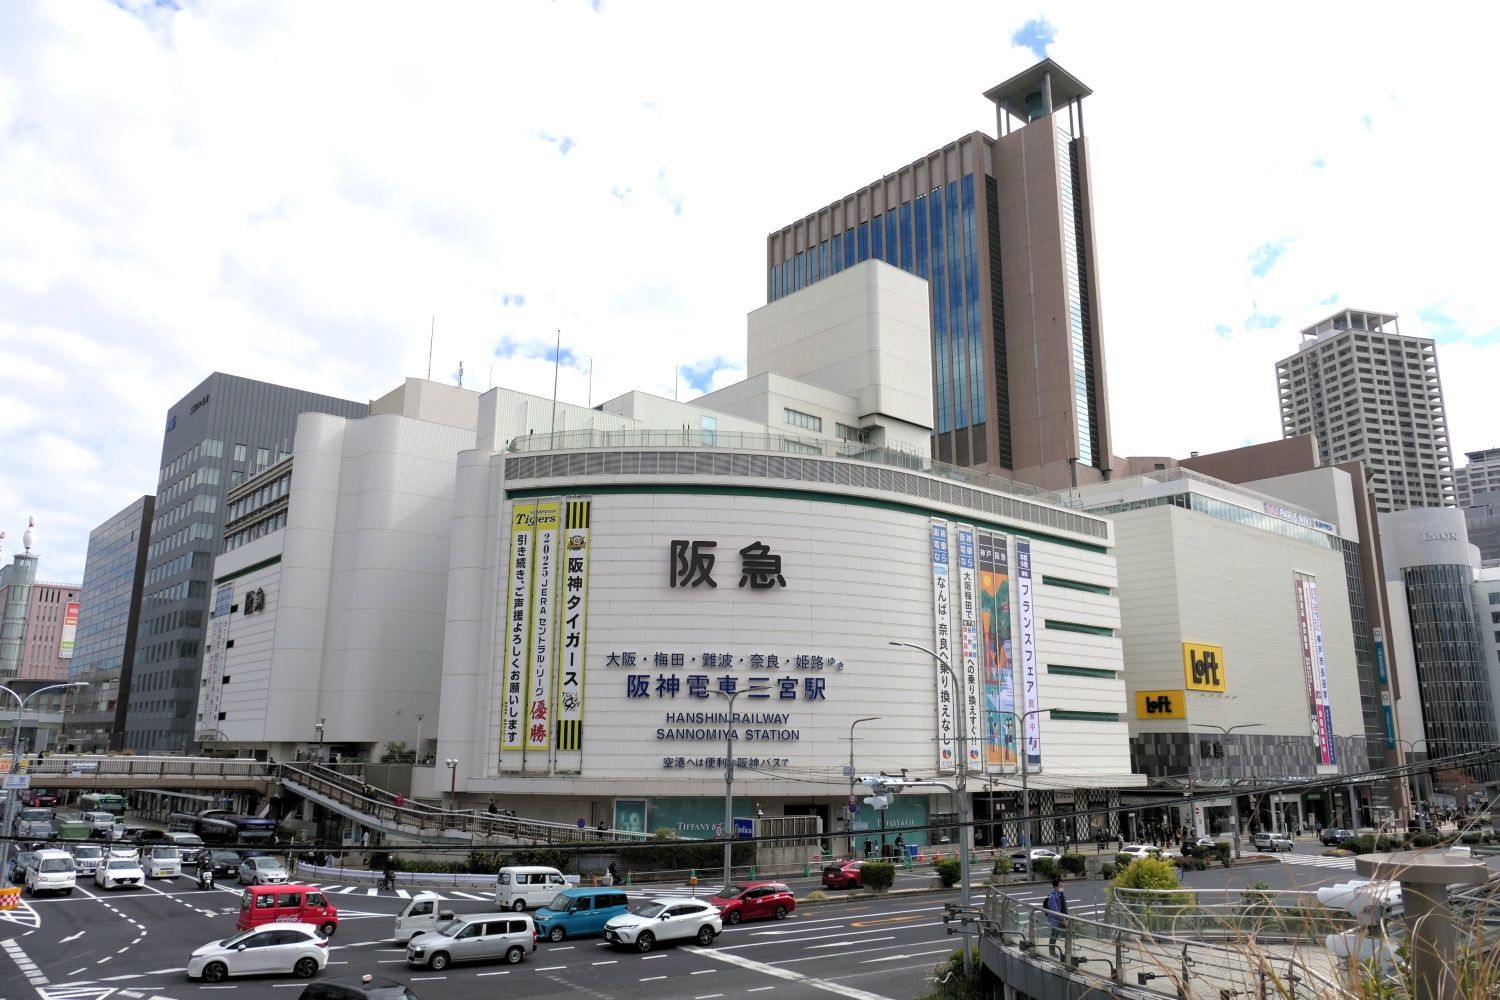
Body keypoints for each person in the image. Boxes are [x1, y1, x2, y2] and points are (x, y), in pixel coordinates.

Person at [1044, 876, 1069, 958]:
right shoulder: (1052, 897)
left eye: (1063, 886)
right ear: (1055, 887)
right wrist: (1063, 920)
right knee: (1054, 935)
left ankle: (1067, 952)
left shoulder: (1063, 894)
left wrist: (1067, 917)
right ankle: (1052, 952)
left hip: (1064, 918)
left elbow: (1065, 906)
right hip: (1056, 920)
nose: (1062, 887)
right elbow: (1055, 912)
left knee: (1068, 935)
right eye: (1061, 886)